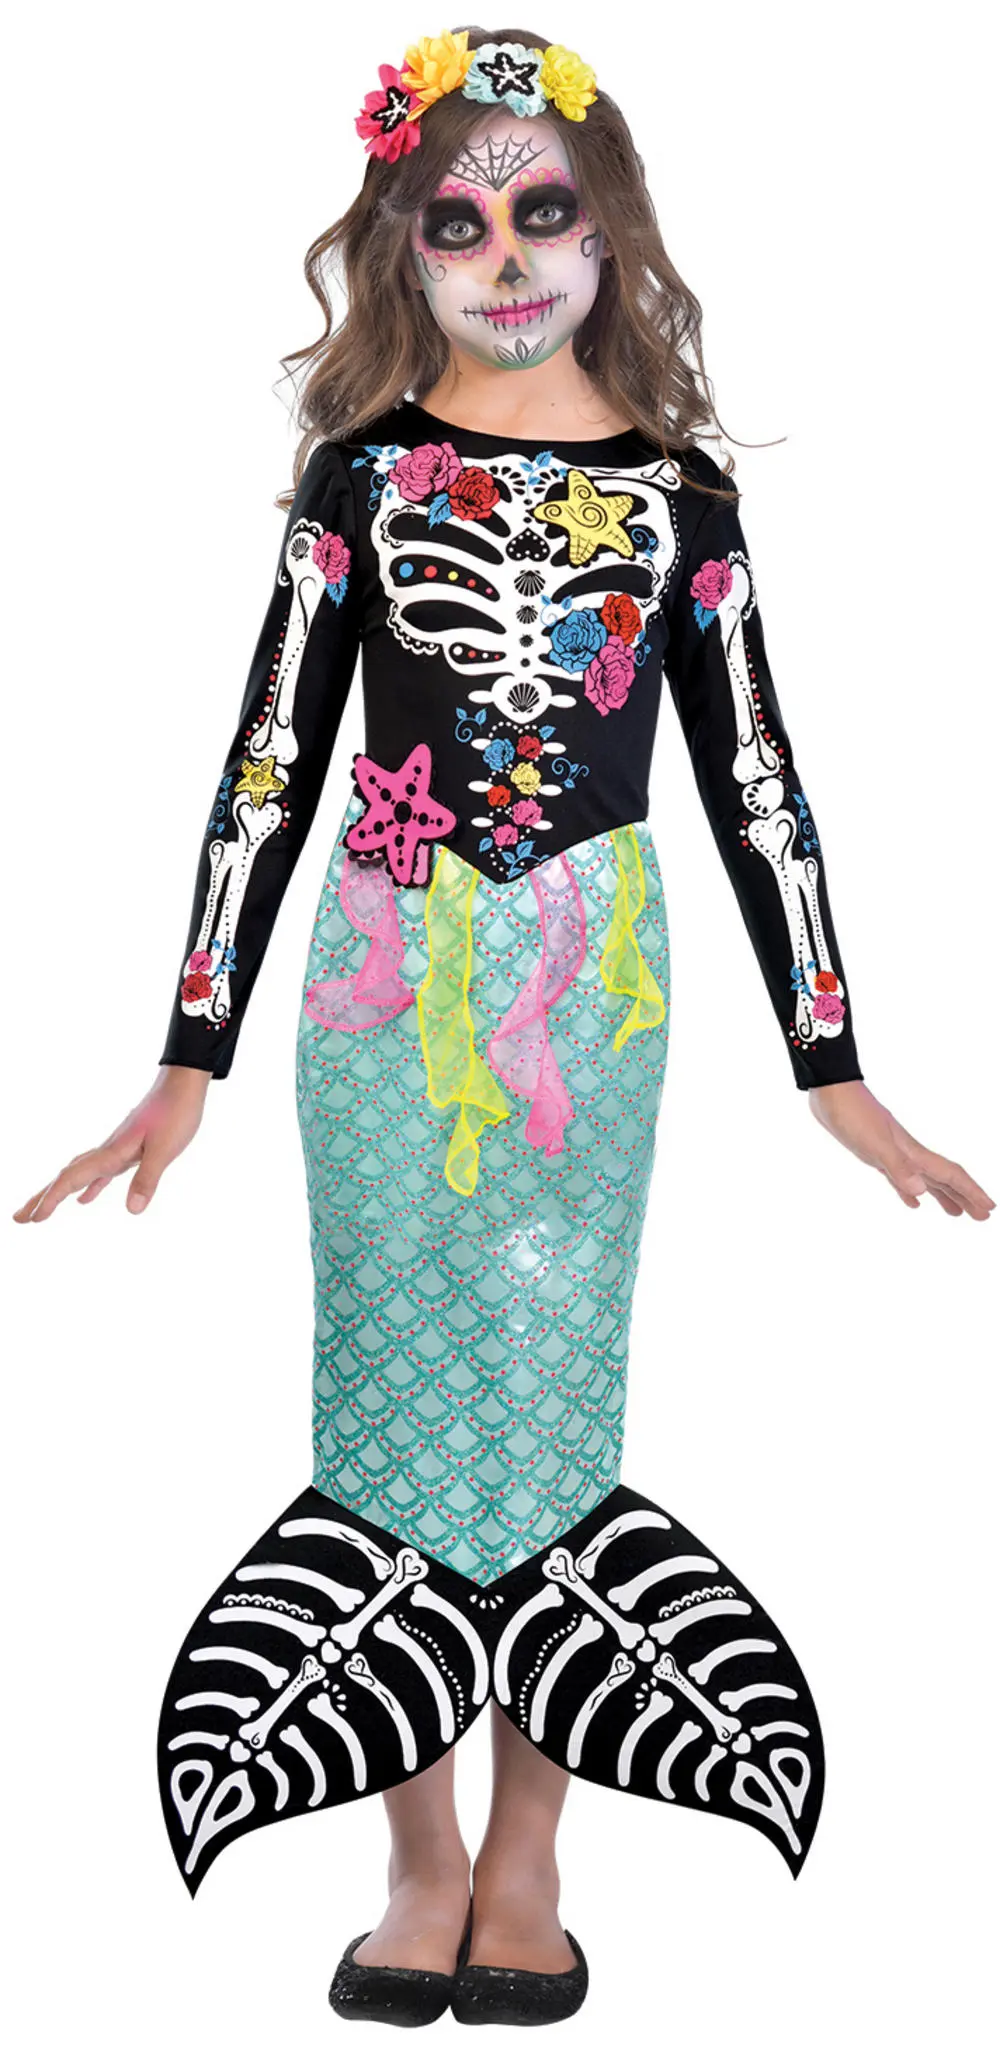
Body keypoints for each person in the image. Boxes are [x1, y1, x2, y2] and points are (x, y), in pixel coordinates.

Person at [13, 23, 994, 2031]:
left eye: (543, 211)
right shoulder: (363, 479)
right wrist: (188, 1055)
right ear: (403, 244)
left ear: (611, 229)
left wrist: (833, 1067)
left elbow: (756, 782)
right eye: (456, 225)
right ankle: (418, 1846)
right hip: (381, 968)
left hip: (589, 975)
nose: (507, 256)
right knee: (390, 1385)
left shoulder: (680, 496)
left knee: (549, 1383)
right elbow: (272, 762)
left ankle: (532, 1845)